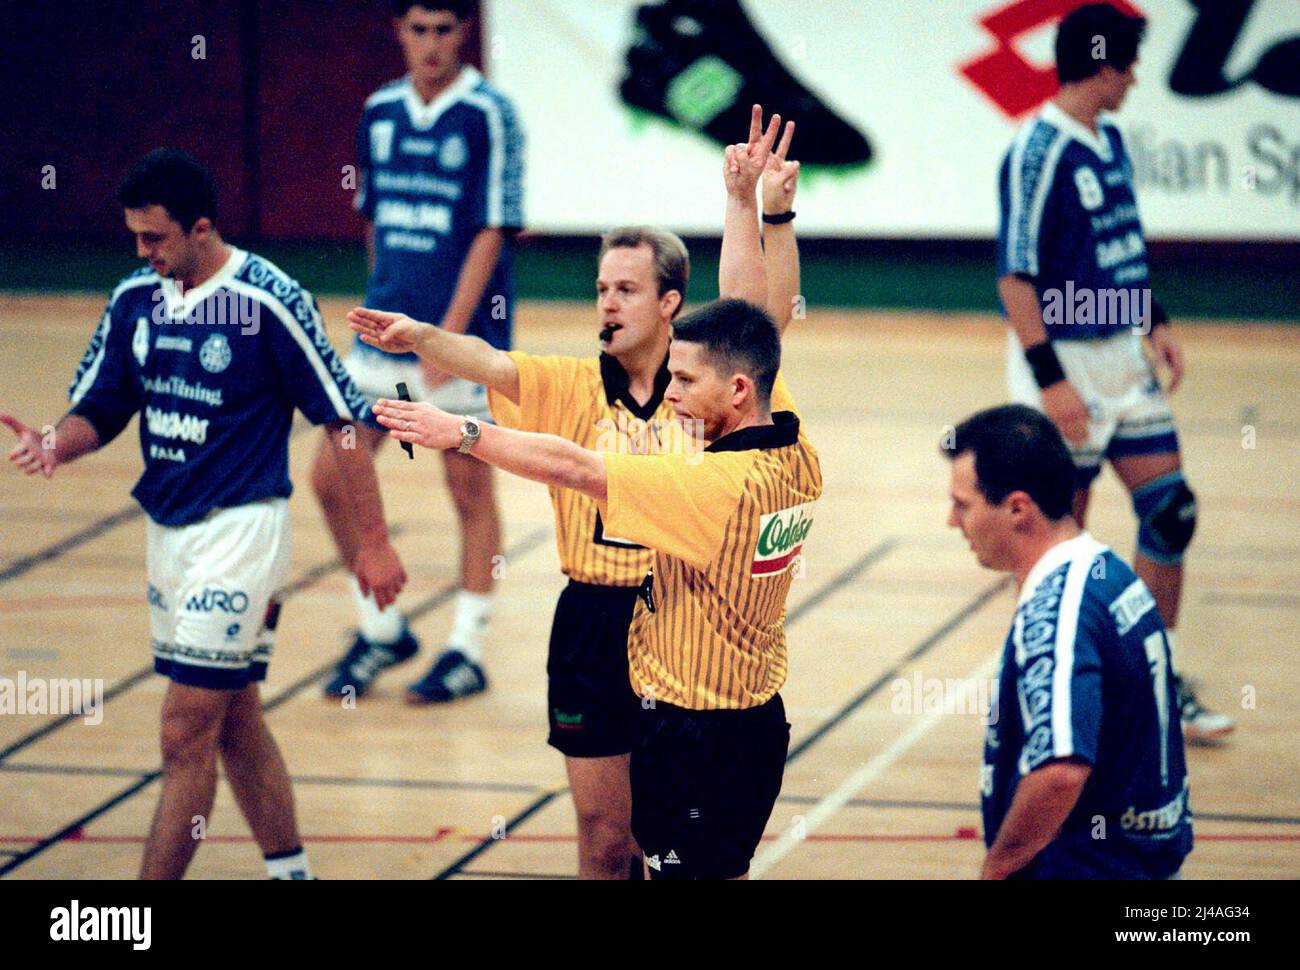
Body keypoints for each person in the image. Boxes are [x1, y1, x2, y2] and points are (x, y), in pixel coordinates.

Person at [348, 105, 803, 879]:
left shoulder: (709, 396)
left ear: (669, 303)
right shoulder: (570, 381)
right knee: (600, 838)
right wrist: (423, 338)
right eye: (600, 288)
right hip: (593, 620)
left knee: (659, 846)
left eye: (627, 288)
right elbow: (491, 365)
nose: (608, 303)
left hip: (670, 618)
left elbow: (758, 320)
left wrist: (766, 211)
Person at [1, 149, 406, 879]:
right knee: (236, 723)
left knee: (185, 730)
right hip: (168, 536)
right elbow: (103, 405)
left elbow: (344, 423)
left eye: (154, 238)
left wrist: (371, 544)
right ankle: (293, 875)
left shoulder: (267, 298)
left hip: (242, 534)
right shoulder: (135, 299)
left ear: (202, 228)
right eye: (134, 237)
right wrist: (56, 442)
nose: (142, 252)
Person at [996, 2, 1232, 743]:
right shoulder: (1037, 150)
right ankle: (1046, 692)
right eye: (1127, 66)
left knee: (1171, 513)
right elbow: (1016, 277)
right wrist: (1053, 382)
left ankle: (1149, 680)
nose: (1133, 81)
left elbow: (1119, 245)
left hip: (1124, 359)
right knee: (1060, 543)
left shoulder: (1112, 141)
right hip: (1066, 366)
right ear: (1102, 65)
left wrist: (1154, 319)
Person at [313, 0, 524, 704]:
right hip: (380, 332)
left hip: (457, 339)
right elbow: (375, 217)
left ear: (462, 34)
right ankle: (383, 628)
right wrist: (383, 307)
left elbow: (493, 230)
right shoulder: (379, 112)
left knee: (467, 489)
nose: (431, 44)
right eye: (418, 30)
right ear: (400, 33)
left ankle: (466, 647)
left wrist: (445, 339)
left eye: (443, 30)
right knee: (329, 473)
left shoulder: (489, 113)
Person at [943, 404, 1192, 880]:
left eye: (962, 504)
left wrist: (996, 870)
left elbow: (1060, 770)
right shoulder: (1110, 573)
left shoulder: (1059, 611)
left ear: (1018, 508)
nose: (953, 522)